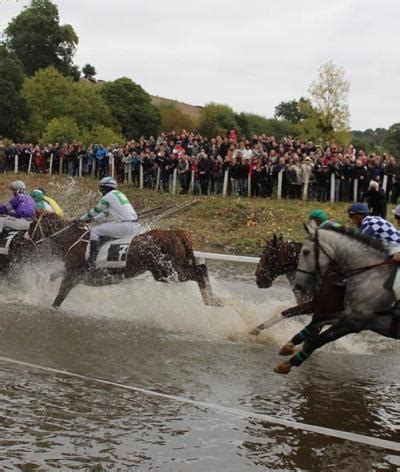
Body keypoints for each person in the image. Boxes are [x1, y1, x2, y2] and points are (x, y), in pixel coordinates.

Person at [81, 176, 140, 269]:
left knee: (95, 231)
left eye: (101, 189)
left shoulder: (108, 196)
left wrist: (82, 219)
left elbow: (96, 210)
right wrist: (93, 219)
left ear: (104, 188)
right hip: (135, 226)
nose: (101, 191)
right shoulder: (119, 194)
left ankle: (91, 260)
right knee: (105, 228)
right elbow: (107, 213)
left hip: (125, 226)